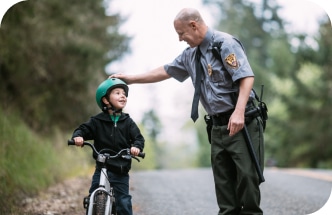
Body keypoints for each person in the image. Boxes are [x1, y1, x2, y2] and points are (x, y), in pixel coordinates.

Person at [111, 8, 264, 215]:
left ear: (194, 25)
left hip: (241, 121)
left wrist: (238, 113)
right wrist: (130, 79)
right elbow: (165, 70)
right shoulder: (190, 55)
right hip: (218, 127)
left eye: (181, 33)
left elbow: (245, 77)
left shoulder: (224, 43)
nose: (180, 39)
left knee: (247, 178)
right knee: (224, 184)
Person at [71, 78, 145, 215]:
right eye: (117, 93)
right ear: (105, 100)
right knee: (93, 196)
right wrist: (78, 136)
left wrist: (136, 147)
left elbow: (138, 138)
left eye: (124, 93)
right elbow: (82, 129)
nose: (122, 95)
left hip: (120, 169)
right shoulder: (97, 121)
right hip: (102, 167)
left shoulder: (127, 122)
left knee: (123, 201)